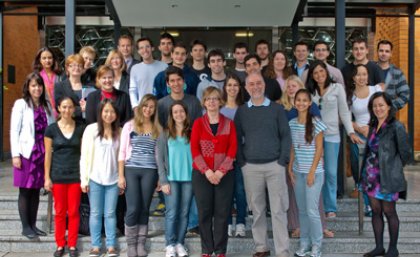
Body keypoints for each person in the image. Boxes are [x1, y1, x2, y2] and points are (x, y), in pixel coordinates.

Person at [234, 72, 291, 257]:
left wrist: (282, 161)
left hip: (275, 165)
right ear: (246, 87)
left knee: (278, 211)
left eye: (259, 83)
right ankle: (261, 248)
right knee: (257, 210)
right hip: (251, 167)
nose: (255, 87)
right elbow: (235, 138)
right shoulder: (242, 111)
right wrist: (242, 162)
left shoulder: (276, 109)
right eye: (251, 84)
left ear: (264, 86)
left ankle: (282, 251)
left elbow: (285, 135)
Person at [279, 75, 334, 238]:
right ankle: (296, 226)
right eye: (288, 86)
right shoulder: (283, 109)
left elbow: (318, 135)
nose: (291, 89)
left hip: (311, 161)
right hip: (292, 157)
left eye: (294, 86)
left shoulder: (312, 107)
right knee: (294, 195)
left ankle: (321, 227)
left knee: (315, 198)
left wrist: (318, 159)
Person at [306, 60, 362, 218]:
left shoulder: (337, 88)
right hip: (314, 137)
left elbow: (344, 112)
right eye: (315, 73)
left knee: (330, 172)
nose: (319, 75)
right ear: (312, 75)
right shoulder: (309, 91)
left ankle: (330, 207)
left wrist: (350, 132)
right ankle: (316, 204)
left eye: (321, 72)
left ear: (327, 72)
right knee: (315, 172)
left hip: (331, 136)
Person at [360, 92, 411, 257]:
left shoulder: (396, 126)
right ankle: (379, 247)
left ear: (389, 106)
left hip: (388, 178)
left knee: (389, 212)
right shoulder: (373, 126)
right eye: (375, 106)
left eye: (381, 105)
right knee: (376, 211)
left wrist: (394, 167)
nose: (378, 108)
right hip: (371, 178)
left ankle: (393, 249)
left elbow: (406, 154)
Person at [191, 87, 237, 257]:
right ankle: (207, 249)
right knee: (204, 213)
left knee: (222, 213)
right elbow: (195, 150)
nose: (211, 102)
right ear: (204, 102)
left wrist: (220, 172)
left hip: (224, 176)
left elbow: (232, 150)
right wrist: (208, 172)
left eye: (215, 98)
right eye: (208, 99)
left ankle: (220, 250)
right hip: (202, 175)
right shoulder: (198, 123)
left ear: (220, 101)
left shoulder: (229, 123)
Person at [157, 66, 202, 236]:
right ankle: (172, 239)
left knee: (189, 199)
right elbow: (161, 135)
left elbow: (197, 130)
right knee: (174, 206)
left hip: (190, 158)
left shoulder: (193, 102)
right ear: (168, 84)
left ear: (184, 82)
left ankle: (192, 224)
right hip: (171, 161)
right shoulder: (161, 104)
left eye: (179, 80)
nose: (176, 83)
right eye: (172, 81)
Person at [10, 72, 55, 239]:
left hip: (42, 153)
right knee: (25, 190)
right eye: (33, 85)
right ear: (28, 88)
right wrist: (15, 155)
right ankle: (25, 226)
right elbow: (14, 131)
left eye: (39, 85)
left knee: (36, 190)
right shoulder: (21, 104)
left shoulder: (46, 106)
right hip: (26, 152)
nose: (37, 88)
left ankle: (34, 225)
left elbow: (51, 130)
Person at [118, 94, 160, 257]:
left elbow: (158, 155)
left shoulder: (158, 128)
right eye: (146, 106)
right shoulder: (130, 126)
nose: (148, 109)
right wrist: (121, 176)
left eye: (151, 107)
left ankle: (141, 244)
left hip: (150, 171)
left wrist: (159, 177)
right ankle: (131, 244)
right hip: (131, 169)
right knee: (133, 207)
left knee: (144, 208)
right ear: (141, 107)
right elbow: (121, 152)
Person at [44, 96, 85, 257]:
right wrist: (47, 177)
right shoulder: (51, 129)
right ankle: (60, 244)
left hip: (76, 175)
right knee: (60, 211)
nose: (67, 110)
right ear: (59, 109)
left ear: (74, 109)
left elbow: (84, 154)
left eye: (70, 107)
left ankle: (72, 245)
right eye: (64, 107)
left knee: (74, 211)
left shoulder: (81, 128)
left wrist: (85, 176)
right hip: (58, 176)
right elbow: (48, 155)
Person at [288, 89, 327, 257]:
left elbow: (320, 149)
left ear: (310, 103)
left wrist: (311, 172)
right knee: (302, 211)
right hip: (298, 172)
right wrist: (290, 168)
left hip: (314, 173)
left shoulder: (317, 122)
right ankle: (304, 244)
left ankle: (317, 246)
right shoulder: (292, 123)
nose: (301, 103)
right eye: (298, 100)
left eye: (305, 100)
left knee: (312, 210)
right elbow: (293, 148)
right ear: (294, 102)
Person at [80, 99, 120, 257]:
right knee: (96, 213)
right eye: (106, 111)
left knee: (110, 213)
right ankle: (95, 246)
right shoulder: (91, 130)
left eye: (112, 111)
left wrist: (122, 179)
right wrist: (84, 179)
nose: (108, 114)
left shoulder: (120, 132)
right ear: (100, 112)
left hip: (113, 180)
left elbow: (122, 158)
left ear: (116, 114)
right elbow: (84, 156)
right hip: (95, 178)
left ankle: (111, 246)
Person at [157, 101, 193, 257]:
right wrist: (163, 180)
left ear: (186, 113)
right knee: (172, 212)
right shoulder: (165, 133)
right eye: (175, 112)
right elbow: (159, 159)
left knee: (184, 213)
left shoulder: (192, 132)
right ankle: (170, 244)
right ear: (171, 115)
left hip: (189, 179)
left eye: (181, 111)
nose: (179, 114)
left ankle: (179, 242)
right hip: (171, 179)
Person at [346, 64, 383, 216]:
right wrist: (359, 128)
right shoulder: (350, 95)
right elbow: (346, 117)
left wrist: (372, 127)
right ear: (353, 78)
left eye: (364, 74)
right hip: (359, 133)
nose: (362, 77)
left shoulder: (376, 90)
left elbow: (384, 110)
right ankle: (368, 205)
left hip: (377, 131)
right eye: (358, 74)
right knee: (362, 168)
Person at [220, 74, 247, 238]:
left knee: (240, 191)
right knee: (226, 192)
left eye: (235, 85)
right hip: (222, 157)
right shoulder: (220, 108)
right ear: (224, 88)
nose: (232, 88)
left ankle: (242, 223)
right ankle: (228, 223)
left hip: (241, 155)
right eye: (229, 85)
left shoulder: (244, 108)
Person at [54, 54, 96, 122]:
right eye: (73, 65)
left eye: (79, 65)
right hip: (68, 124)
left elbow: (95, 105)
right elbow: (58, 107)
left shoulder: (90, 86)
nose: (76, 68)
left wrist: (89, 106)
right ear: (67, 68)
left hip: (87, 124)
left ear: (83, 68)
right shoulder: (59, 86)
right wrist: (81, 109)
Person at [129, 37, 168, 107]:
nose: (145, 50)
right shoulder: (135, 68)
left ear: (152, 48)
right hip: (142, 108)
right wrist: (135, 106)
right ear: (138, 51)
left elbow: (168, 88)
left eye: (147, 46)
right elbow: (133, 90)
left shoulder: (164, 66)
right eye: (141, 48)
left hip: (161, 106)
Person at [376, 40, 410, 110]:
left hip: (388, 117)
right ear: (377, 52)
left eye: (387, 51)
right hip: (368, 115)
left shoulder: (397, 73)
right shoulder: (369, 70)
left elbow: (405, 94)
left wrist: (391, 107)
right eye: (381, 51)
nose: (383, 53)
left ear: (391, 54)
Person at [32, 47, 63, 117]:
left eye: (50, 58)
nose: (47, 60)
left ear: (53, 59)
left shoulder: (60, 76)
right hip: (42, 112)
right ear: (39, 60)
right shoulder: (36, 77)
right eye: (44, 58)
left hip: (60, 112)